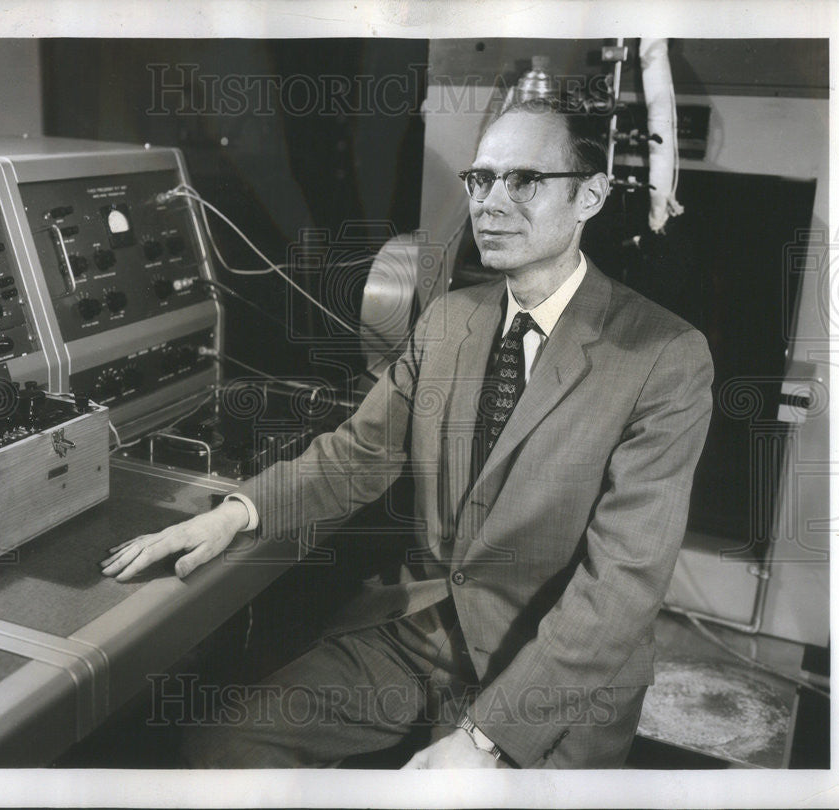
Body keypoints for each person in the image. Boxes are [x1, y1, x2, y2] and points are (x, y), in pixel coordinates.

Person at [101, 100, 714, 769]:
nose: (492, 202)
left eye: (524, 181)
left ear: (589, 195)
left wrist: (486, 739)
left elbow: (619, 588)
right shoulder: (451, 321)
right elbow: (356, 456)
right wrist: (236, 514)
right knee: (225, 746)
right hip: (422, 633)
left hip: (554, 677)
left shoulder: (665, 357)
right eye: (481, 180)